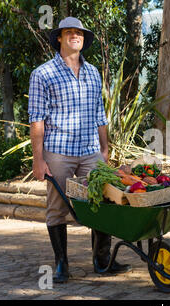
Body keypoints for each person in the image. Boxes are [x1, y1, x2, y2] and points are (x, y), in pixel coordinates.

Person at [28, 17, 132, 283]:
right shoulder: (42, 73)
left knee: (105, 201)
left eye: (80, 33)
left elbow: (100, 114)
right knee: (57, 208)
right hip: (58, 151)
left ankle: (102, 260)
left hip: (90, 151)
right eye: (69, 32)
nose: (76, 36)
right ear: (60, 38)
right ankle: (62, 264)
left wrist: (105, 147)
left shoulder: (93, 72)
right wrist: (38, 160)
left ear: (84, 40)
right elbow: (36, 119)